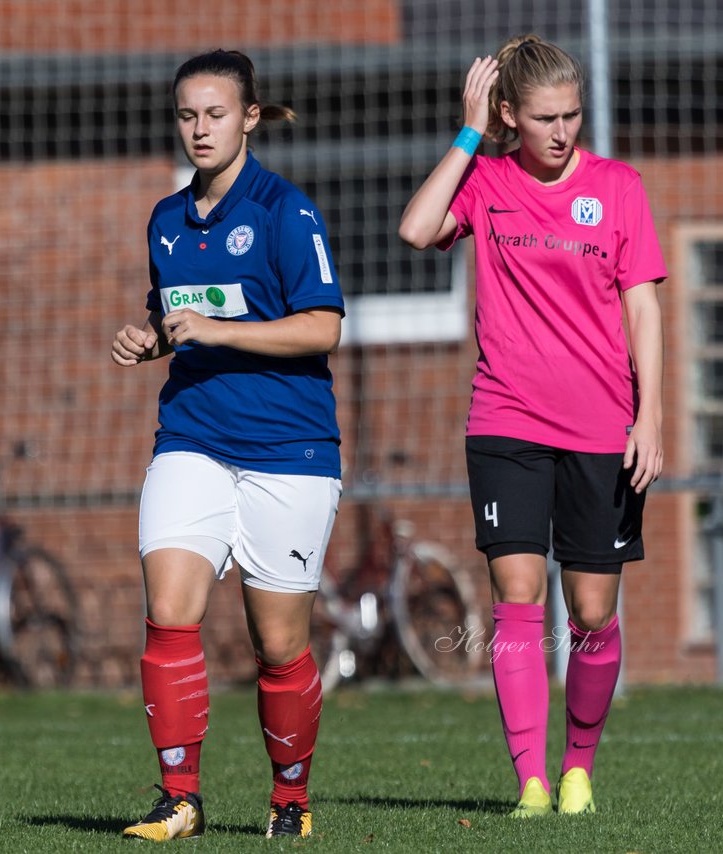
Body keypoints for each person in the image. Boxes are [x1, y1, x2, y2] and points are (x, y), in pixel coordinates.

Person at [398, 34, 666, 818]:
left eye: (573, 116)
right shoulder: (485, 179)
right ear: (510, 114)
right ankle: (532, 783)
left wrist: (649, 416)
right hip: (506, 421)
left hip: (602, 430)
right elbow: (416, 230)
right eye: (545, 118)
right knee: (517, 596)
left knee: (591, 613)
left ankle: (578, 765)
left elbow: (642, 306)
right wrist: (468, 133)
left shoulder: (618, 188)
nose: (562, 132)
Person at [111, 49, 345, 841]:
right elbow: (173, 314)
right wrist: (150, 338)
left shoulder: (285, 211)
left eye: (215, 113)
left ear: (249, 117)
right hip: (193, 439)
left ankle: (290, 799)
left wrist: (216, 330)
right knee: (168, 611)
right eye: (187, 115)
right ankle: (180, 797)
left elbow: (324, 327)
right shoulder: (167, 220)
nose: (199, 128)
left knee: (278, 645)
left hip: (290, 449)